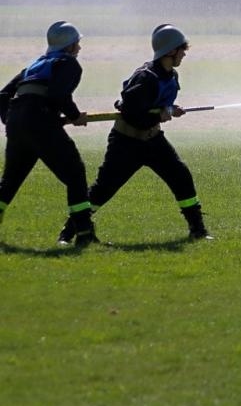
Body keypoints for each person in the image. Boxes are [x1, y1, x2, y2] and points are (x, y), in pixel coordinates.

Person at [86, 24, 211, 241]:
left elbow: (156, 106)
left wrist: (170, 109)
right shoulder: (146, 77)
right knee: (103, 189)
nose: (184, 55)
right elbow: (130, 112)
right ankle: (72, 231)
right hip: (126, 142)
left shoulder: (171, 76)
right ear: (171, 51)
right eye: (182, 50)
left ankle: (198, 230)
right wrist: (159, 116)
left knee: (181, 176)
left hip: (153, 140)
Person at [0, 20, 96, 246]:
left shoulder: (35, 64)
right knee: (75, 174)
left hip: (17, 123)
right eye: (77, 43)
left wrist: (14, 121)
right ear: (70, 46)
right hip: (39, 123)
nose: (79, 48)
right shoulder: (70, 64)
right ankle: (84, 233)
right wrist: (74, 116)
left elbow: (3, 96)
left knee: (10, 181)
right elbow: (57, 94)